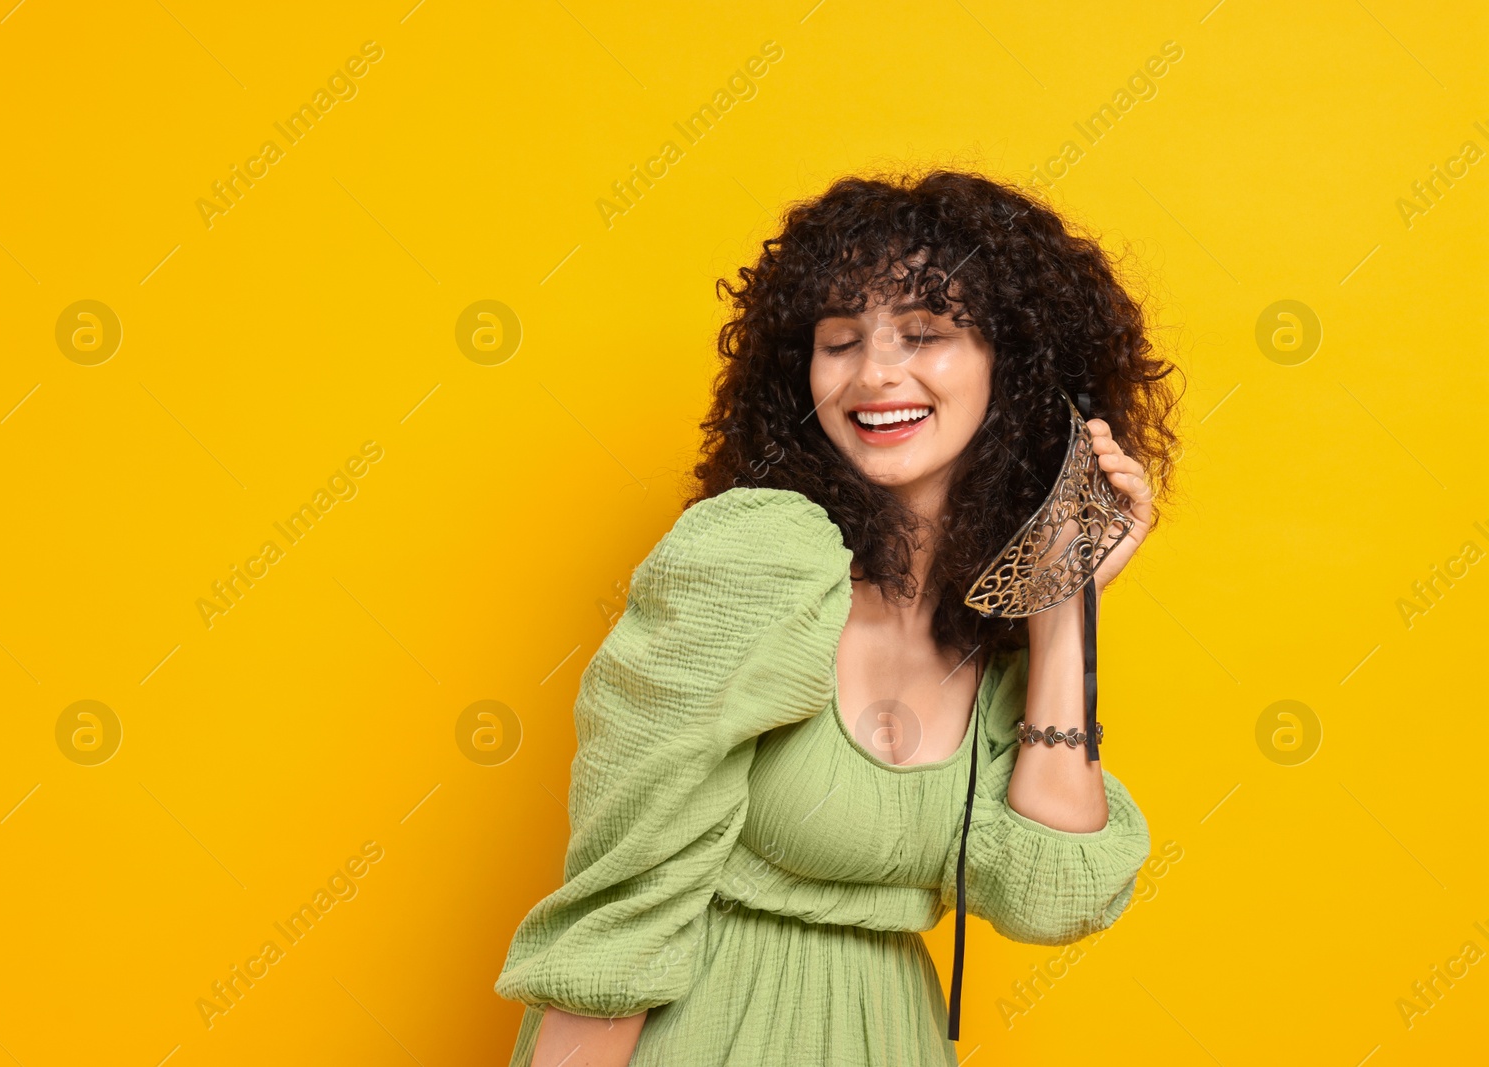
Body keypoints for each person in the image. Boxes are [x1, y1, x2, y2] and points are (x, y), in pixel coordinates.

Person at [495, 168, 1182, 1066]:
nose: (875, 373)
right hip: (704, 1033)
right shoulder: (756, 558)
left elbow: (1049, 899)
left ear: (1015, 366)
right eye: (840, 340)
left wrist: (1061, 610)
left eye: (925, 332)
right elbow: (625, 907)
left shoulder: (989, 631)